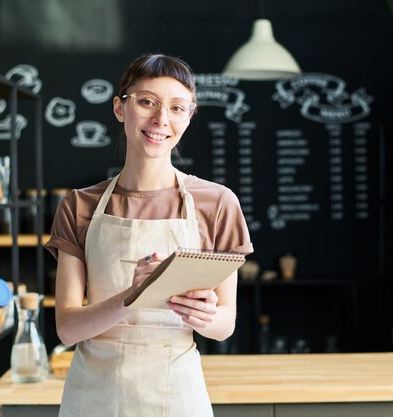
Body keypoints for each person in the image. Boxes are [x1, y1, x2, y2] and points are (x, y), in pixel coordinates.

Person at [45, 53, 253, 417]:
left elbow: (225, 325)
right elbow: (67, 328)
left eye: (177, 108)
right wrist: (133, 295)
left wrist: (202, 314)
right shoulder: (79, 205)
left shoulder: (217, 203)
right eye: (146, 102)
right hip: (95, 396)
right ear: (119, 108)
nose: (161, 120)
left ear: (189, 118)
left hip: (175, 393)